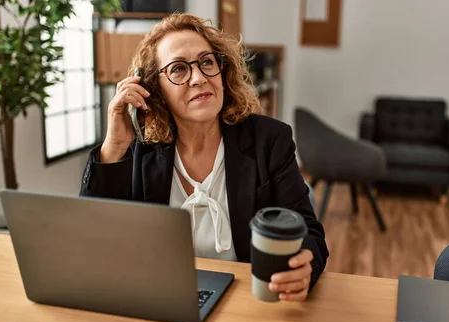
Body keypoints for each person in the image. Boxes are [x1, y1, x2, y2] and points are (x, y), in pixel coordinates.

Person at [80, 13, 328, 302]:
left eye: (207, 62)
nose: (199, 78)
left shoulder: (268, 141)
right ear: (153, 90)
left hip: (250, 302)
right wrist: (114, 145)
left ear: (222, 73)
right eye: (179, 69)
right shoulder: (138, 150)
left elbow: (310, 233)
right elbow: (94, 240)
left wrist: (305, 265)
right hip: (161, 301)